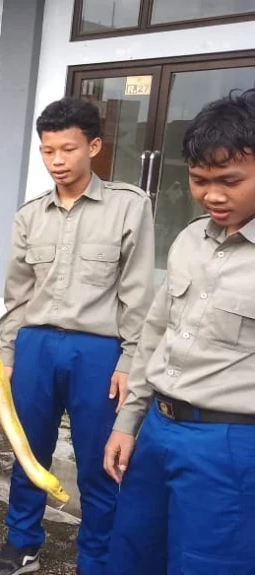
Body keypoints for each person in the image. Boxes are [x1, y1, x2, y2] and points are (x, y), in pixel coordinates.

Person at [0, 98, 155, 575]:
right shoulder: (30, 215)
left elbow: (138, 294)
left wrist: (129, 362)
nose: (56, 161)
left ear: (94, 147)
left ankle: (97, 558)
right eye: (47, 151)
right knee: (28, 450)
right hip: (37, 346)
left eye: (67, 149)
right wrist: (9, 353)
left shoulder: (128, 206)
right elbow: (17, 295)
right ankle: (22, 541)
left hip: (98, 351)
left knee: (101, 462)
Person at [103, 88, 255, 574]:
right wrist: (128, 422)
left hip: (231, 446)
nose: (212, 194)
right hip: (159, 431)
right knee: (132, 553)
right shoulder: (190, 238)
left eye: (229, 181)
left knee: (208, 564)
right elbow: (157, 334)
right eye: (198, 180)